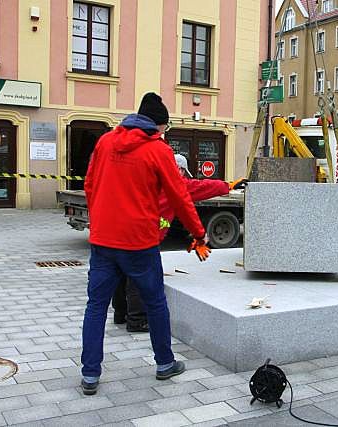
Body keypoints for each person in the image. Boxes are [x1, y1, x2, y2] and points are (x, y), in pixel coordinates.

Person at [81, 92, 211, 395]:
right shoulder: (158, 150)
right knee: (155, 303)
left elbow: (89, 184)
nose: (164, 134)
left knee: (96, 306)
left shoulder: (105, 141)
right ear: (158, 126)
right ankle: (165, 363)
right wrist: (198, 233)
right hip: (139, 243)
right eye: (164, 129)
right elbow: (180, 196)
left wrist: (100, 218)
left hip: (102, 240)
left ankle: (89, 375)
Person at [112, 153, 247, 332]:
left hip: (123, 232)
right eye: (183, 171)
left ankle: (120, 313)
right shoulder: (174, 182)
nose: (183, 175)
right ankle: (136, 320)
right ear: (180, 169)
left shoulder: (145, 178)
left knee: (122, 273)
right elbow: (200, 187)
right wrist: (228, 185)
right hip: (144, 238)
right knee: (140, 277)